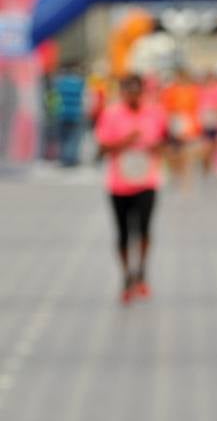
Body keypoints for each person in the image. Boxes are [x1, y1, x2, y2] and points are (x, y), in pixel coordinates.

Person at [95, 75, 167, 304]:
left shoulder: (155, 112)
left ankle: (142, 271)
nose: (133, 96)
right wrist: (126, 141)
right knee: (124, 233)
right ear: (122, 92)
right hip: (119, 183)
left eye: (137, 91)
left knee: (144, 230)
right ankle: (126, 277)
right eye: (128, 91)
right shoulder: (111, 113)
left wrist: (158, 147)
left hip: (147, 181)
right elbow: (102, 148)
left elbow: (167, 141)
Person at [51, 62, 87, 168]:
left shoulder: (59, 82)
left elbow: (54, 97)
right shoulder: (80, 83)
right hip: (76, 113)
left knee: (63, 137)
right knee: (74, 138)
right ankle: (71, 158)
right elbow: (85, 99)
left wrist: (54, 111)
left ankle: (64, 158)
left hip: (62, 113)